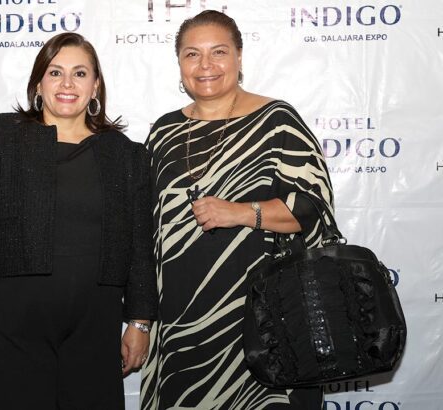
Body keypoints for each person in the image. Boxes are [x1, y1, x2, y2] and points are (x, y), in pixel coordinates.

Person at [0, 32, 157, 410]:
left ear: (95, 85)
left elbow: (139, 245)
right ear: (38, 83)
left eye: (79, 73)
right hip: (12, 324)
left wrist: (140, 322)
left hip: (94, 324)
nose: (67, 83)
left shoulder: (125, 155)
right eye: (55, 73)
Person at [140, 10, 333, 410]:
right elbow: (144, 230)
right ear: (179, 63)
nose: (205, 65)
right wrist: (141, 321)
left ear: (239, 57)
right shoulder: (163, 132)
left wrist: (242, 213)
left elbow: (313, 208)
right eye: (192, 54)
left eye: (219, 52)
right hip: (180, 323)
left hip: (263, 321)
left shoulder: (276, 121)